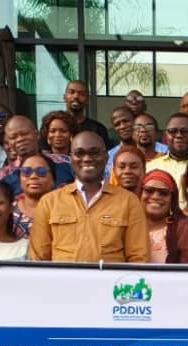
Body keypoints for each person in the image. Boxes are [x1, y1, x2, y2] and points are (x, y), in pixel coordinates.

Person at [28, 131, 147, 262]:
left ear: (106, 157)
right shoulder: (49, 202)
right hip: (62, 276)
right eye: (79, 153)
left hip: (110, 276)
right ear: (71, 158)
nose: (87, 159)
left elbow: (139, 258)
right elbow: (38, 259)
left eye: (94, 153)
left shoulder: (128, 201)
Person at [141, 170, 188, 264]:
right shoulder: (129, 226)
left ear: (172, 200)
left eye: (163, 193)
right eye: (149, 190)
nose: (155, 197)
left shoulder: (183, 229)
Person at [146, 113, 188, 209]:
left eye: (186, 131)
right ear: (166, 135)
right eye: (173, 131)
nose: (179, 135)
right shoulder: (150, 167)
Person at [13, 153, 57, 238]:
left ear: (53, 180)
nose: (33, 176)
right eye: (26, 171)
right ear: (19, 178)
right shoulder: (8, 209)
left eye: (41, 172)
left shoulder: (64, 208)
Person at [61, 80, 112, 148]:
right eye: (72, 92)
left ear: (87, 100)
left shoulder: (97, 129)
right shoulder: (53, 126)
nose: (76, 96)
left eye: (82, 94)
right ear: (64, 97)